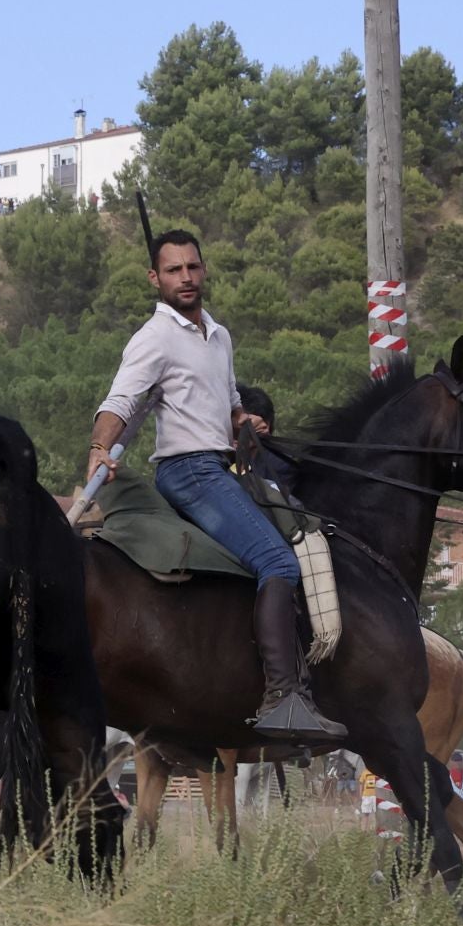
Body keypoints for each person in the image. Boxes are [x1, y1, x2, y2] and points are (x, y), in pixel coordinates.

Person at [89, 229, 346, 743]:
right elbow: (120, 402)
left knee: (310, 533)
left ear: (203, 270)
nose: (185, 277)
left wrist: (244, 422)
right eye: (173, 270)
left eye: (192, 267)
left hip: (226, 465)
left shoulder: (219, 336)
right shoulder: (153, 338)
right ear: (154, 279)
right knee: (276, 561)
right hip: (188, 472)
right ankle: (282, 696)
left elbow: (228, 402)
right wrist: (100, 447)